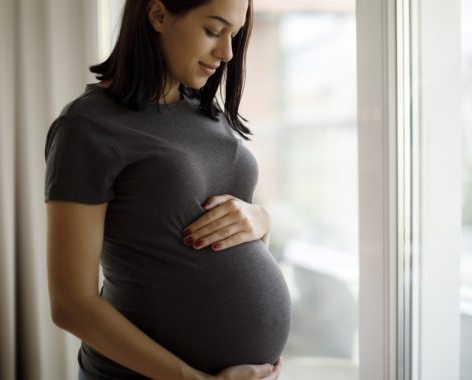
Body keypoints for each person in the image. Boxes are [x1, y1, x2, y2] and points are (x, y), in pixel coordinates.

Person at [44, 0, 291, 379]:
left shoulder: (208, 114)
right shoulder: (87, 127)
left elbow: (228, 242)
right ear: (158, 15)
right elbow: (71, 304)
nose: (226, 53)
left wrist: (261, 220)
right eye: (213, 30)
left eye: (234, 36)